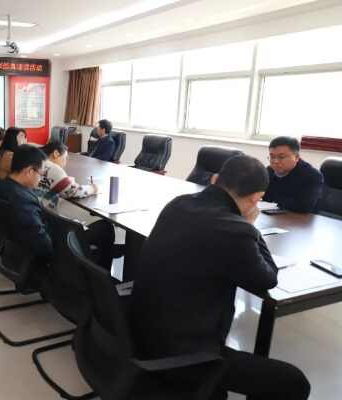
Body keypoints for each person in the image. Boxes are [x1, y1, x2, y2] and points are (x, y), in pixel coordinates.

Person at [132, 155, 310, 400]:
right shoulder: (235, 229)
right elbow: (268, 278)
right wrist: (250, 226)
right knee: (294, 383)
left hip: (140, 332)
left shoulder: (178, 203)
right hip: (182, 356)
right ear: (255, 198)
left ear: (216, 179)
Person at [0, 144, 118, 270]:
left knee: (87, 226)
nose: (40, 179)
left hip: (19, 248)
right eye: (41, 174)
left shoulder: (3, 186)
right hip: (48, 250)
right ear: (30, 171)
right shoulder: (23, 201)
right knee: (105, 228)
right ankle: (98, 275)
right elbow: (43, 245)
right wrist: (63, 243)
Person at [263, 136, 324, 213]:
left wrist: (274, 199)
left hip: (302, 218)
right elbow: (262, 196)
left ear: (297, 157)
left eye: (281, 157)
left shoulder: (312, 175)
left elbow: (304, 206)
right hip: (276, 215)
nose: (275, 161)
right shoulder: (269, 171)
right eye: (272, 157)